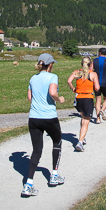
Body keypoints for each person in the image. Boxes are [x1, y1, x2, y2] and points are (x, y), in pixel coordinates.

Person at [22, 53, 66, 197]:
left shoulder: (33, 78)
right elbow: (52, 92)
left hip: (34, 117)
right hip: (48, 117)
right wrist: (59, 99)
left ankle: (28, 184)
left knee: (36, 150)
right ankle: (54, 175)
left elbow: (30, 98)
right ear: (50, 64)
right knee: (57, 142)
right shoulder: (53, 77)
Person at [67, 57, 100, 152]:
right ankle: (80, 142)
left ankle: (82, 136)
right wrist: (93, 86)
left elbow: (69, 81)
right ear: (90, 65)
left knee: (83, 117)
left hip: (78, 98)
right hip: (88, 98)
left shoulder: (77, 72)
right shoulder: (93, 74)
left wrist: (73, 88)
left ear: (81, 64)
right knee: (86, 121)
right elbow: (97, 87)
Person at [92, 48, 106, 123]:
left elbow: (90, 70)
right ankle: (102, 109)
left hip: (96, 83)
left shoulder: (94, 60)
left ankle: (98, 118)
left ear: (99, 53)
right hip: (105, 82)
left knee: (98, 99)